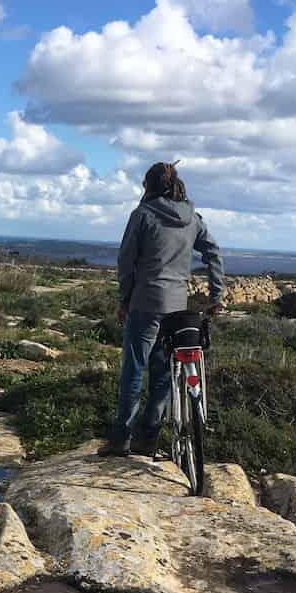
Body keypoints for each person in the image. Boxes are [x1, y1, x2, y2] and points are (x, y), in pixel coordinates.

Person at [98, 162, 225, 457]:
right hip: (178, 309)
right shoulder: (192, 218)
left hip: (145, 304)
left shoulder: (142, 215)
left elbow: (125, 261)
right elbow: (213, 253)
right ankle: (149, 439)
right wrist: (216, 294)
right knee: (163, 375)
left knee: (133, 372)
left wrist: (124, 299)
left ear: (149, 185)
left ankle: (121, 440)